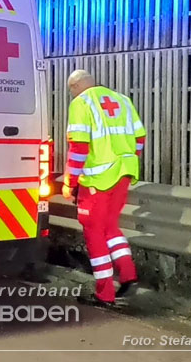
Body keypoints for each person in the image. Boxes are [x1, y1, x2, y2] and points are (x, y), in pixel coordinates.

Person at [61, 69, 146, 307]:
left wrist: (70, 182)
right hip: (124, 173)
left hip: (98, 179)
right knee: (110, 227)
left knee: (94, 233)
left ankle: (105, 293)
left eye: (71, 90)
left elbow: (79, 146)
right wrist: (128, 159)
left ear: (76, 86)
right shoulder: (123, 100)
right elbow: (139, 138)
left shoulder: (81, 103)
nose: (72, 95)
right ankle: (128, 275)